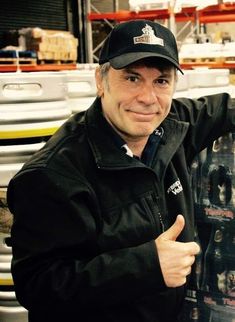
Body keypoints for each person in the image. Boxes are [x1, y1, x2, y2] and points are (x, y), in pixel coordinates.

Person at [7, 19, 235, 322]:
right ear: (101, 81)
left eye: (161, 81)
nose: (147, 97)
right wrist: (147, 266)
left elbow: (221, 110)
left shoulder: (170, 126)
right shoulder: (54, 175)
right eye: (131, 78)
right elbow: (38, 286)